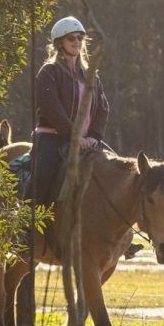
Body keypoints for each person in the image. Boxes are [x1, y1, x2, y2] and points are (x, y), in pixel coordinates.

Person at [26, 14, 107, 206]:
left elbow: (103, 108)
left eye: (80, 37)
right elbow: (51, 108)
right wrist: (74, 135)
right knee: (43, 176)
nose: (77, 41)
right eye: (71, 38)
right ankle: (28, 221)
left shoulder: (92, 76)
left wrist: (94, 136)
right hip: (52, 138)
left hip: (87, 142)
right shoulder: (49, 72)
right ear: (59, 43)